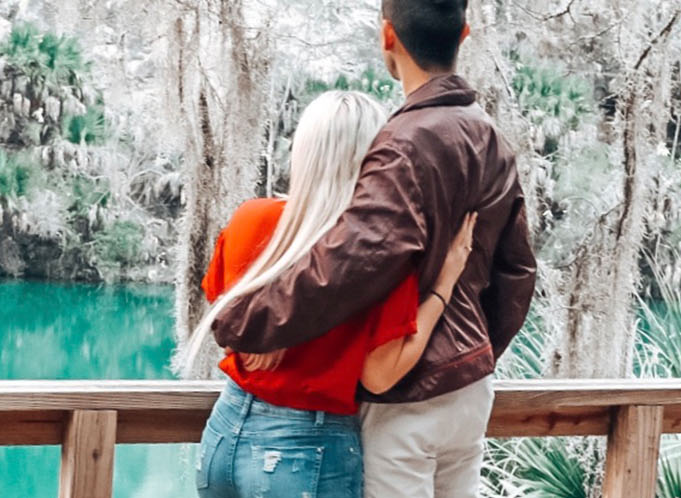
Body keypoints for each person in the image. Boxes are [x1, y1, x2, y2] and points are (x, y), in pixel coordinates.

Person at [208, 0, 537, 496]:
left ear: (387, 36)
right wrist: (473, 355)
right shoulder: (493, 140)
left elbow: (350, 264)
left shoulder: (402, 142)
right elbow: (517, 273)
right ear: (465, 33)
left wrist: (245, 322)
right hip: (471, 390)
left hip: (408, 388)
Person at [187, 91, 480, 498]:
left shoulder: (250, 218)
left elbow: (228, 326)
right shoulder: (380, 252)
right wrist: (444, 285)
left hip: (225, 434)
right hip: (307, 450)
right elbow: (379, 376)